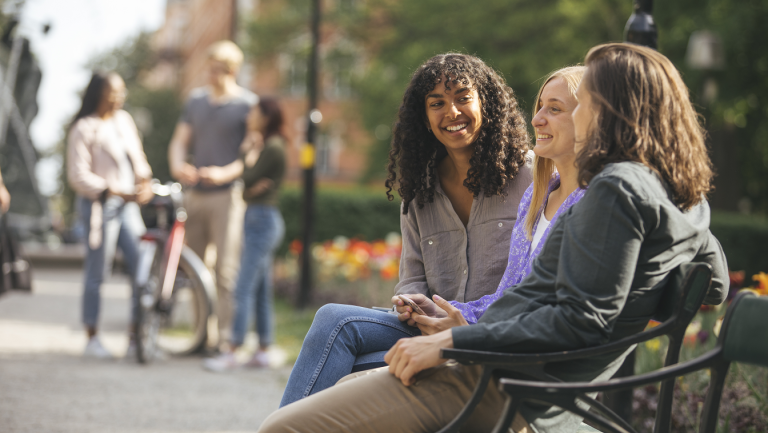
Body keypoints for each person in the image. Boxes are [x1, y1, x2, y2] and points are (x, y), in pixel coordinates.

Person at [258, 43, 729, 433]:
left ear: (618, 111)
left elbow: (580, 319)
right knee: (336, 341)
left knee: (283, 429)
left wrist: (453, 344)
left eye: (584, 103)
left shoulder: (612, 190)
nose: (546, 117)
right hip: (505, 363)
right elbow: (714, 284)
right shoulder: (685, 201)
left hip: (504, 381)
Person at [278, 53, 534, 406]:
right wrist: (411, 303)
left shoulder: (530, 180)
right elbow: (412, 277)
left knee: (350, 366)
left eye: (463, 97)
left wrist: (464, 326)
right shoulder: (420, 191)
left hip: (486, 332)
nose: (452, 112)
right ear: (424, 117)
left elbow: (538, 279)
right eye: (437, 103)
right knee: (333, 321)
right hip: (426, 327)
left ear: (485, 104)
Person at [167, 40, 256, 349]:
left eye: (217, 70)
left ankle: (226, 340)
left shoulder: (247, 105)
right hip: (196, 194)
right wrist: (179, 165)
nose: (210, 75)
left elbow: (250, 156)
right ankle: (201, 336)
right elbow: (180, 141)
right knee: (195, 266)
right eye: (209, 68)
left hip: (226, 196)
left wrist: (224, 172)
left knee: (225, 270)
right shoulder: (196, 101)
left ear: (232, 70)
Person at [67, 72, 153, 359]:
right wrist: (113, 191)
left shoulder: (124, 122)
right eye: (114, 92)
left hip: (129, 206)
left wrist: (145, 181)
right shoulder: (84, 127)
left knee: (141, 265)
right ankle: (92, 336)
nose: (120, 97)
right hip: (101, 206)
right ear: (100, 94)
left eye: (122, 92)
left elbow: (138, 158)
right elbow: (77, 176)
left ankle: (134, 336)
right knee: (97, 272)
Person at [203, 97, 287, 371]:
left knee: (243, 286)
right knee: (261, 289)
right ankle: (264, 348)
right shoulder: (265, 145)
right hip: (257, 218)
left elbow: (248, 179)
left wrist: (243, 155)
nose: (249, 115)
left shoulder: (273, 147)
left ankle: (232, 349)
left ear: (265, 116)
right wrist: (251, 181)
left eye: (254, 111)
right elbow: (250, 184)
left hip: (263, 220)